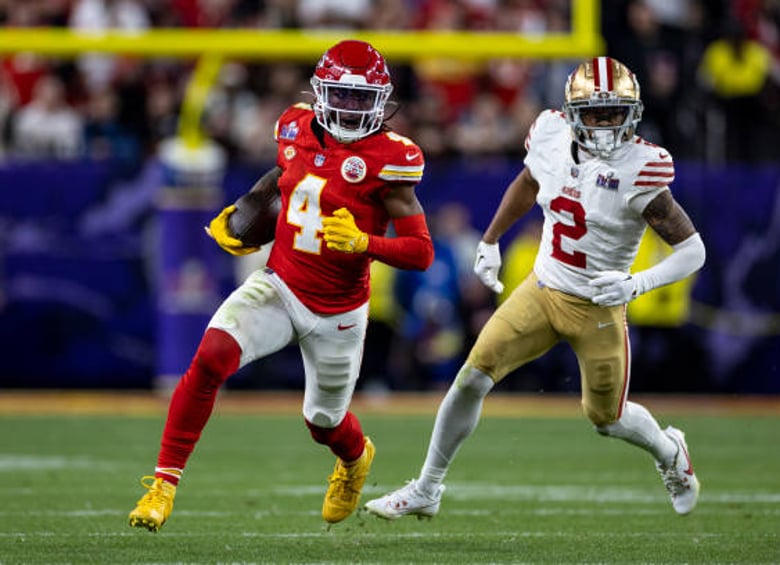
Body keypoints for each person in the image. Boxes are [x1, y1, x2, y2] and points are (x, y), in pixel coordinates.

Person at [365, 56, 706, 520]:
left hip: (599, 307)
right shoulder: (548, 134)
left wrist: (636, 283)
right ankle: (427, 487)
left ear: (633, 113)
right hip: (542, 289)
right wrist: (490, 240)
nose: (605, 125)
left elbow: (693, 251)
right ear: (570, 114)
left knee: (606, 419)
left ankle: (671, 453)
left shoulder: (641, 167)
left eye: (614, 112)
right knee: (470, 378)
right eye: (594, 113)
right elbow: (528, 182)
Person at [128, 39, 434, 532]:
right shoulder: (294, 126)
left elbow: (421, 252)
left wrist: (364, 243)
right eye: (342, 96)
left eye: (363, 99)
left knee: (324, 423)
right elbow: (288, 173)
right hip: (281, 284)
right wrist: (254, 207)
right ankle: (162, 487)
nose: (352, 108)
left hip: (339, 311)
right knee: (210, 358)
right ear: (320, 93)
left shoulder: (390, 158)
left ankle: (355, 459)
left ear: (381, 101)